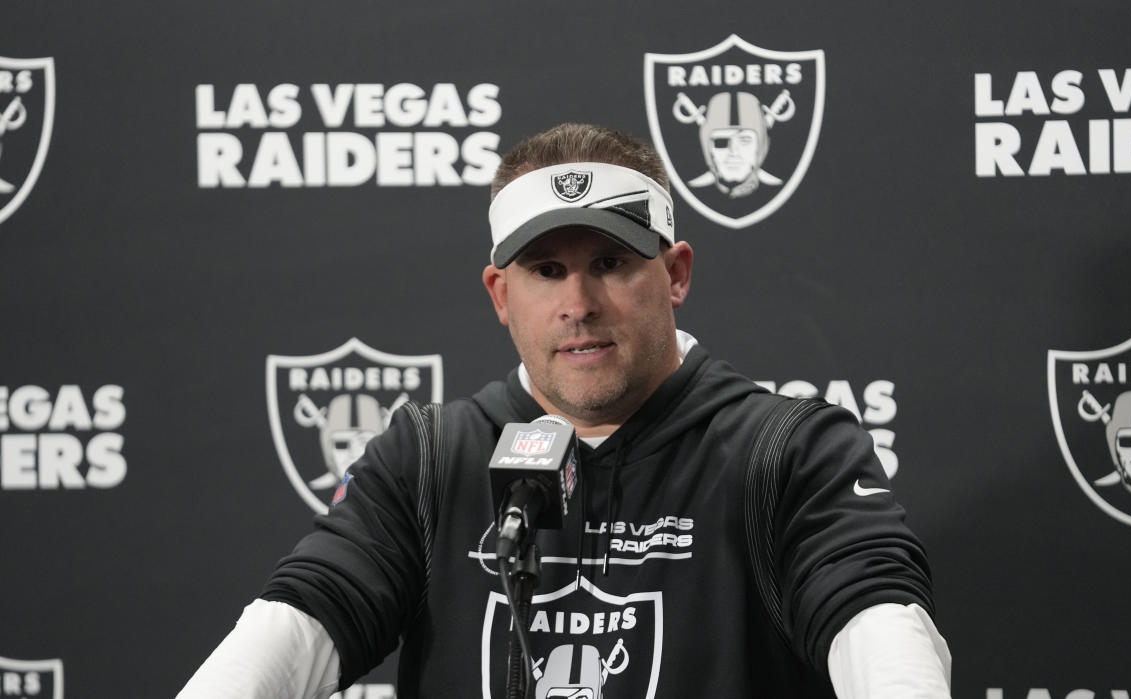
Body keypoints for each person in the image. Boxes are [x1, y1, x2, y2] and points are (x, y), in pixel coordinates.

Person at [179, 123, 952, 698]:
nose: (578, 304)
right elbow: (303, 616)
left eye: (610, 263)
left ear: (675, 273)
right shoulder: (428, 456)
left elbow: (876, 620)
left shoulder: (787, 448)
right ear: (501, 293)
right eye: (547, 270)